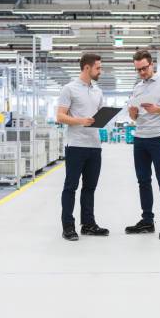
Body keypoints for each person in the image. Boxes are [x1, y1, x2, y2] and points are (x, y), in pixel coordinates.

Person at [125, 49, 160, 240]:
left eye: (144, 68)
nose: (141, 73)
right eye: (138, 70)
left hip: (159, 138)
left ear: (152, 65)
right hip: (140, 139)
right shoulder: (137, 87)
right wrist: (132, 112)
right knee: (143, 181)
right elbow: (134, 118)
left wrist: (158, 109)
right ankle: (147, 221)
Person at [56, 53, 109, 241]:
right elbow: (60, 116)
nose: (100, 71)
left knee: (90, 188)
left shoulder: (97, 91)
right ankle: (68, 227)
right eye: (98, 68)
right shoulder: (69, 89)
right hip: (76, 145)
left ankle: (88, 224)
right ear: (87, 68)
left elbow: (100, 115)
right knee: (70, 187)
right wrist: (80, 121)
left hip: (95, 146)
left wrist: (104, 118)